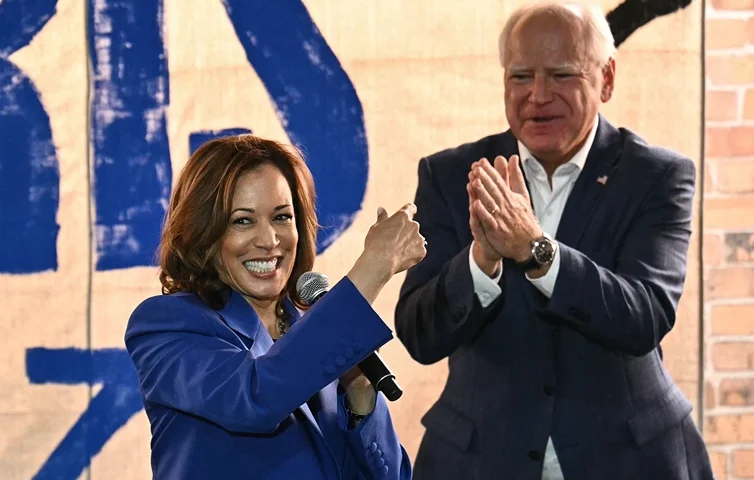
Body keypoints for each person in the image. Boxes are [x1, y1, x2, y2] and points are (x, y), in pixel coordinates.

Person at [394, 2, 715, 480]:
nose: (537, 96)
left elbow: (644, 317)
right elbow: (420, 335)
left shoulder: (657, 176)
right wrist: (481, 261)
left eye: (561, 75)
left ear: (606, 78)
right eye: (520, 77)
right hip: (480, 459)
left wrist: (537, 252)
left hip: (629, 459)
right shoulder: (450, 175)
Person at [125, 135, 422, 479]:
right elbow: (256, 397)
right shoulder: (166, 324)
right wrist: (373, 267)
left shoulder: (320, 333)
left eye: (282, 217)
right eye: (242, 220)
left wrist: (360, 402)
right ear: (204, 232)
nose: (269, 241)